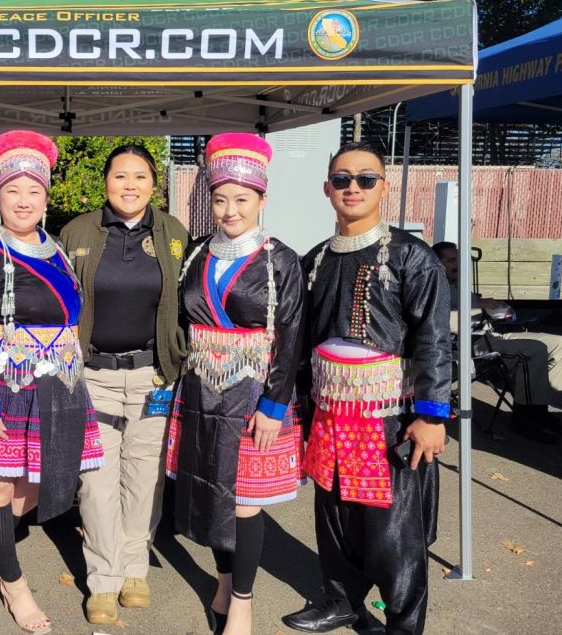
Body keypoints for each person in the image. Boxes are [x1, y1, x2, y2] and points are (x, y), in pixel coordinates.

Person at [0, 129, 103, 634]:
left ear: (47, 197)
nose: (23, 201)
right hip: (4, 389)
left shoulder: (56, 252)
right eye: (13, 191)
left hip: (56, 387)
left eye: (34, 190)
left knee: (29, 493)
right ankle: (16, 586)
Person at [282, 142, 451, 635]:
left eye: (365, 179)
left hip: (389, 416)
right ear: (327, 188)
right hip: (331, 413)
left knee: (393, 532)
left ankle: (402, 625)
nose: (352, 187)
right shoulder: (314, 260)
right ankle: (340, 602)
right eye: (342, 179)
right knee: (335, 517)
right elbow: (301, 341)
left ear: (384, 187)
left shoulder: (411, 258)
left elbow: (435, 339)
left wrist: (432, 416)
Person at [165, 133, 306, 635]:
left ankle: (242, 601)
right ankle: (223, 582)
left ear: (262, 199)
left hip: (251, 393)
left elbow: (290, 337)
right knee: (210, 491)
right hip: (201, 387)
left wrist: (274, 405)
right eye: (220, 199)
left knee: (244, 500)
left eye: (242, 200)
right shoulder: (198, 252)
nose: (230, 210)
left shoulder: (280, 259)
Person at [58, 143, 189, 625]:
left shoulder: (174, 233)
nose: (129, 185)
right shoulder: (77, 232)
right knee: (95, 484)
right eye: (119, 176)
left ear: (154, 184)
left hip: (154, 376)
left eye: (139, 176)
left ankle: (135, 568)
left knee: (144, 480)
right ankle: (104, 579)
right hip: (94, 376)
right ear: (105, 182)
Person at [432, 241, 562, 442]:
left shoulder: (459, 282)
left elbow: (476, 307)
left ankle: (541, 411)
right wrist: (480, 307)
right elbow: (441, 321)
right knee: (533, 351)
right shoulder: (434, 286)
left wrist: (498, 308)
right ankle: (524, 418)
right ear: (437, 263)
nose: (457, 264)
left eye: (458, 258)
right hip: (469, 343)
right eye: (451, 260)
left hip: (490, 334)